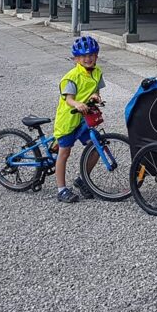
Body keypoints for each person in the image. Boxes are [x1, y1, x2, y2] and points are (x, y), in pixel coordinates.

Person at [53, 35, 106, 204]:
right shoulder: (71, 77)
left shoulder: (97, 73)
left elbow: (95, 90)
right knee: (64, 152)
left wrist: (96, 96)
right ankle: (61, 189)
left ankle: (82, 179)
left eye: (91, 55)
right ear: (76, 59)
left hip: (84, 119)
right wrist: (77, 104)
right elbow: (69, 99)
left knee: (97, 147)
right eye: (83, 56)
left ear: (96, 56)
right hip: (68, 119)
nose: (88, 59)